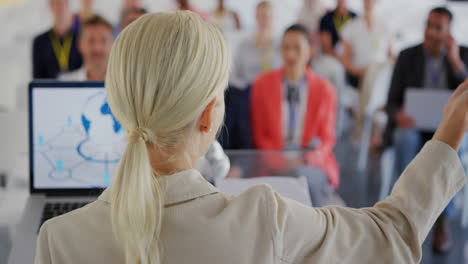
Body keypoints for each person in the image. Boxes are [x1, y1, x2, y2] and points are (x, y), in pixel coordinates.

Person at [35, 11, 468, 264]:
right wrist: (450, 131)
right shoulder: (265, 218)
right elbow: (389, 235)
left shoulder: (57, 240)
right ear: (209, 115)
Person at [385, 7, 468, 254]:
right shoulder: (407, 55)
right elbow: (391, 101)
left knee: (454, 148)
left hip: (448, 129)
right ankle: (404, 211)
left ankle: (442, 219)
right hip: (414, 126)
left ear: (449, 32)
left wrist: (455, 62)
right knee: (403, 138)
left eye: (438, 27)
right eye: (429, 25)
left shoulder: (462, 54)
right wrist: (397, 115)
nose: (431, 32)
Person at [250, 24, 339, 204]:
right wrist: (280, 161)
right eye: (285, 47)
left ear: (310, 50)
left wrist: (304, 160)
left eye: (297, 48)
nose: (290, 54)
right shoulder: (261, 85)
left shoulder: (325, 90)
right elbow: (260, 136)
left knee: (300, 178)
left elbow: (326, 139)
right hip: (273, 164)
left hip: (311, 163)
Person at [218, 1, 280, 149]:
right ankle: (236, 150)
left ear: (273, 18)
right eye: (260, 16)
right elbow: (235, 76)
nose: (264, 19)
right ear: (256, 17)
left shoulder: (281, 45)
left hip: (273, 92)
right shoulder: (244, 44)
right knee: (233, 97)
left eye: (267, 16)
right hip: (249, 92)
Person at [340, 0, 393, 88]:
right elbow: (346, 59)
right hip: (359, 74)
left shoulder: (385, 25)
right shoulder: (350, 27)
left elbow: (391, 55)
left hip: (380, 73)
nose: (369, 2)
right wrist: (359, 72)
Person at [32, 0, 82, 79]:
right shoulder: (39, 42)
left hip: (76, 88)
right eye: (56, 3)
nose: (60, 7)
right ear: (50, 7)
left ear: (68, 6)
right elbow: (37, 78)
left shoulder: (81, 39)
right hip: (48, 89)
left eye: (62, 3)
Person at [59, 15, 114, 81]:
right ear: (80, 44)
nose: (97, 48)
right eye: (91, 40)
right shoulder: (64, 82)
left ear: (113, 44)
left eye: (103, 40)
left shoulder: (123, 83)